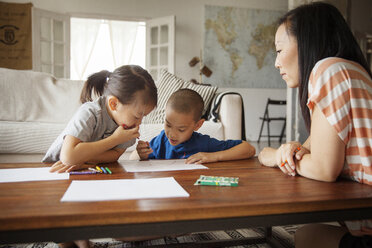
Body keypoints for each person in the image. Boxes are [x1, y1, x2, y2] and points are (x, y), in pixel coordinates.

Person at [257, 2, 371, 248]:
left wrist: (278, 155)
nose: (276, 63)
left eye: (279, 50)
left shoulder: (328, 69)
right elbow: (307, 149)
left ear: (307, 41)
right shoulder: (355, 70)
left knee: (306, 235)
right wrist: (289, 151)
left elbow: (323, 169)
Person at [43, 65, 157, 173]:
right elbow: (68, 157)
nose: (140, 122)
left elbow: (114, 156)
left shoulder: (128, 127)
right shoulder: (90, 113)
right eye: (137, 116)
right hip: (55, 168)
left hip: (85, 167)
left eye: (144, 116)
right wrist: (115, 139)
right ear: (113, 104)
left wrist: (81, 159)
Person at [131, 88, 256, 162]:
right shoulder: (162, 140)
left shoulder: (203, 143)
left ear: (198, 125)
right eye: (168, 125)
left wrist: (213, 156)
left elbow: (249, 149)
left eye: (181, 129)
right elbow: (133, 158)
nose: (171, 134)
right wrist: (141, 154)